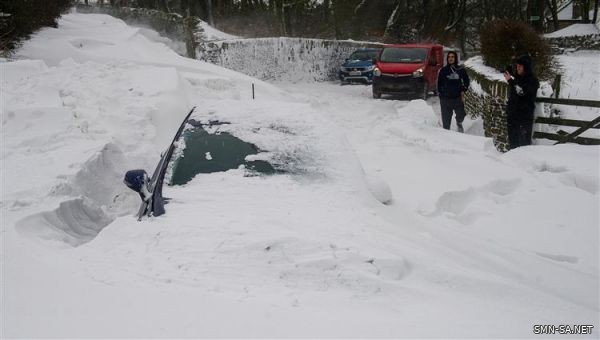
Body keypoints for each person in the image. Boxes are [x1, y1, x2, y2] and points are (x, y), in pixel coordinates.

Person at [503, 54, 539, 149]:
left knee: (523, 147)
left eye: (520, 66)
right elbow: (515, 76)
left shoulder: (532, 81)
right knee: (513, 145)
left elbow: (521, 91)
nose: (517, 68)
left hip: (524, 119)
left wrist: (510, 81)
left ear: (526, 67)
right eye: (517, 66)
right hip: (513, 116)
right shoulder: (518, 77)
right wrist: (508, 70)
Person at [437, 51, 470, 132]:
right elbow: (439, 83)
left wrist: (463, 89)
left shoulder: (460, 70)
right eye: (449, 57)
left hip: (457, 98)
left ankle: (459, 123)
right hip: (445, 99)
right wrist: (441, 94)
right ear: (447, 59)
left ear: (455, 58)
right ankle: (448, 141)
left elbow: (467, 81)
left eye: (452, 57)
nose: (450, 58)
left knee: (461, 115)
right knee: (446, 125)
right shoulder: (443, 70)